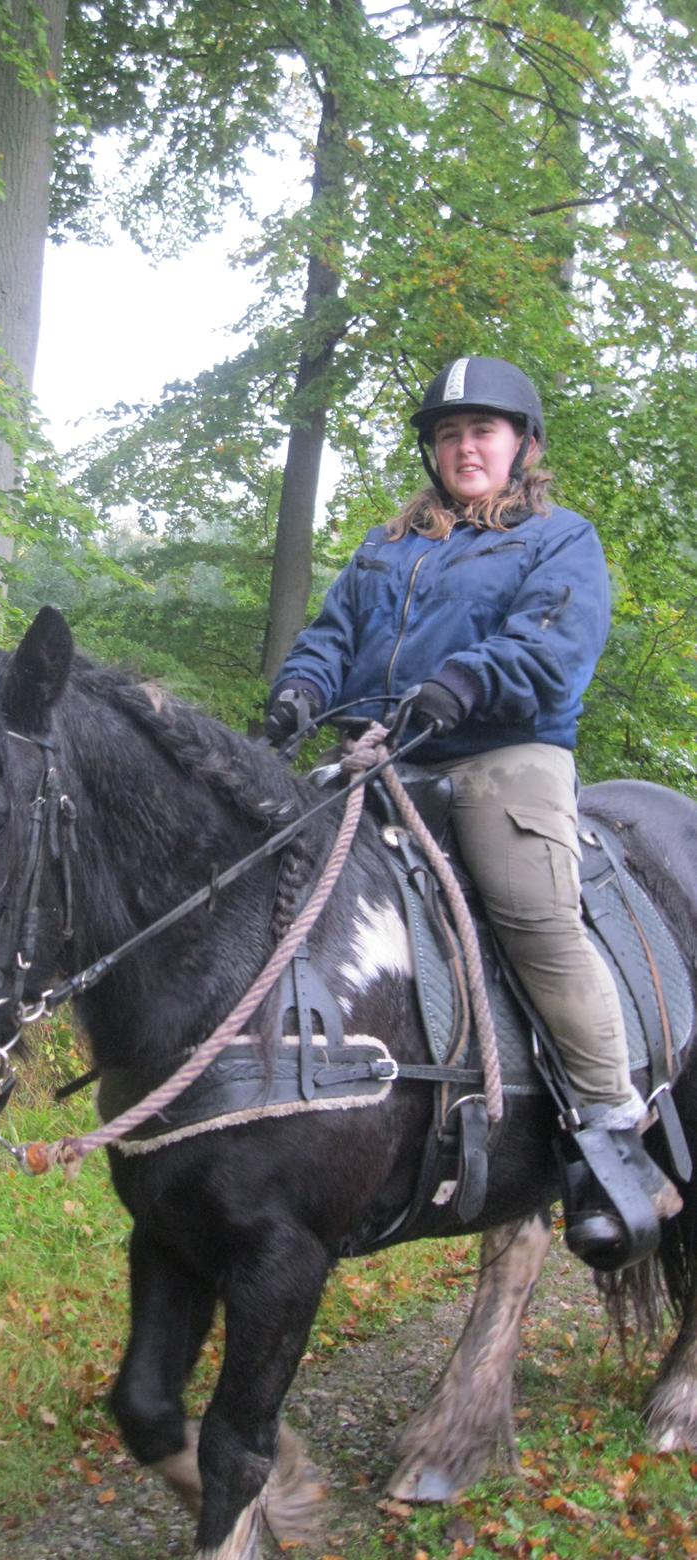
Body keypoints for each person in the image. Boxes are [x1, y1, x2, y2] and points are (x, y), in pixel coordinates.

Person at [265, 355, 681, 1269]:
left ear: (523, 445)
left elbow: (551, 648)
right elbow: (333, 637)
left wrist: (464, 681)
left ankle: (608, 1130)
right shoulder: (386, 545)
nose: (464, 447)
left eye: (482, 431)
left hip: (503, 755)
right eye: (449, 434)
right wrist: (300, 691)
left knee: (534, 913)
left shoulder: (559, 539)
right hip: (383, 754)